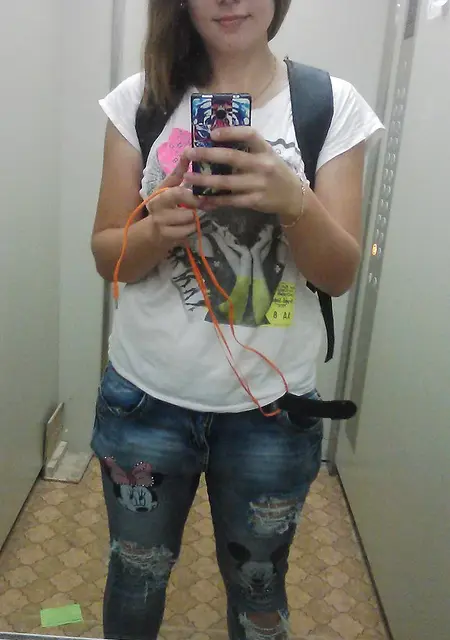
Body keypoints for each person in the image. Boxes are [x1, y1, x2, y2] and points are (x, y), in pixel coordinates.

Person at [91, 1, 383, 639]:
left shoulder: (330, 106)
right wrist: (157, 229)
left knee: (259, 587)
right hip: (145, 402)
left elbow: (338, 275)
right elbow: (107, 256)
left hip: (271, 415)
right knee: (135, 576)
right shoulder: (140, 100)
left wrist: (294, 202)